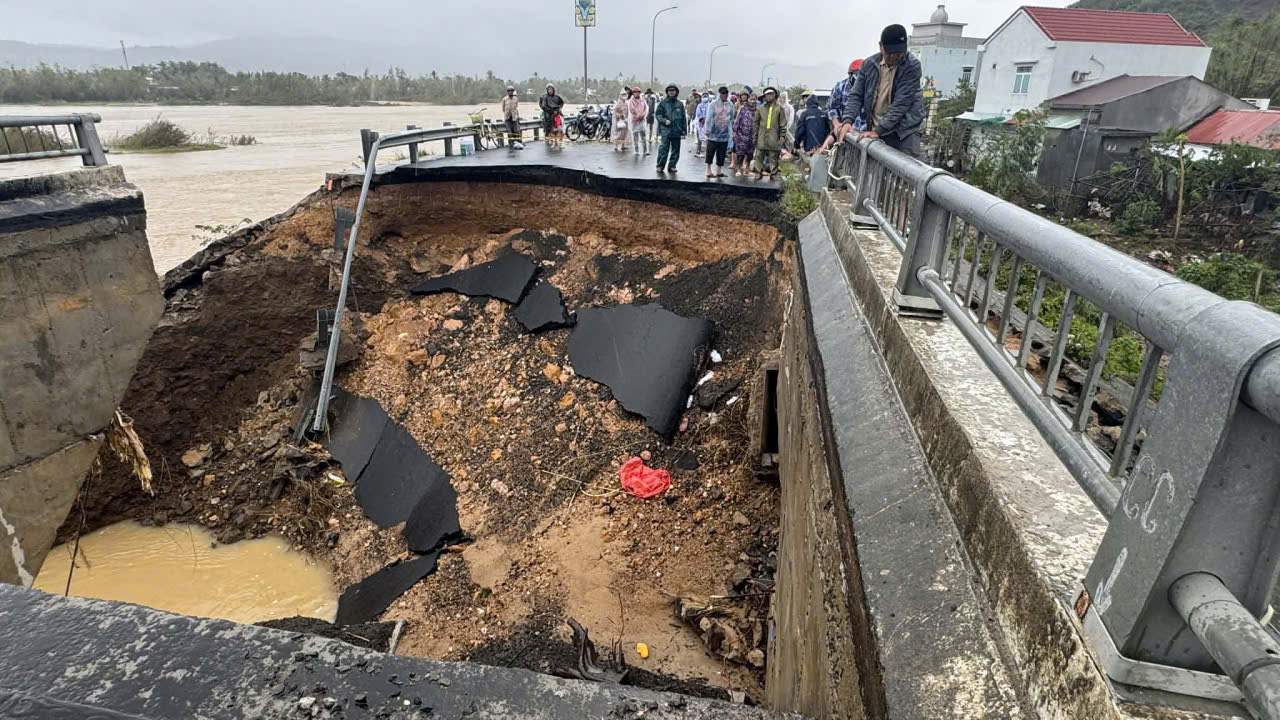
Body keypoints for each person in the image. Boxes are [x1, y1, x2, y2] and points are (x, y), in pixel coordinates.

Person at [835, 24, 926, 159]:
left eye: (898, 52)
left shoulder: (912, 66)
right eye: (890, 52)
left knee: (905, 172)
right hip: (877, 128)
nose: (894, 56)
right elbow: (856, 95)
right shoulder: (869, 64)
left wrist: (878, 131)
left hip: (904, 132)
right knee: (876, 173)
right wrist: (848, 120)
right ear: (880, 46)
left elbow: (901, 103)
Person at [752, 87, 786, 180]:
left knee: (774, 156)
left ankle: (773, 173)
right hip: (762, 136)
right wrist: (754, 136)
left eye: (771, 94)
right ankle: (758, 172)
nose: (769, 96)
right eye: (767, 95)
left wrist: (782, 135)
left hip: (774, 136)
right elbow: (755, 123)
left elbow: (783, 123)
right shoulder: (760, 109)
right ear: (764, 97)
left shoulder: (779, 109)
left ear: (774, 96)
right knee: (759, 155)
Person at [704, 86, 735, 178]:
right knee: (710, 151)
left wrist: (731, 131)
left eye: (726, 93)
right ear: (719, 93)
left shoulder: (730, 105)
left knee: (721, 153)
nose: (724, 95)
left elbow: (731, 118)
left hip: (724, 133)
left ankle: (719, 171)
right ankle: (708, 170)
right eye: (722, 93)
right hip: (713, 132)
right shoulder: (713, 104)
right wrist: (707, 129)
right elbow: (709, 117)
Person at [655, 84, 687, 174]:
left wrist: (684, 131)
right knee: (663, 149)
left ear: (676, 92)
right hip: (666, 130)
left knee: (676, 149)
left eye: (673, 90)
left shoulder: (680, 104)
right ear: (667, 92)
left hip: (677, 130)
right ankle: (660, 166)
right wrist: (664, 121)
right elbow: (658, 114)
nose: (671, 92)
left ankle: (672, 165)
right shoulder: (663, 103)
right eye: (669, 90)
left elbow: (684, 118)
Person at [794, 90, 831, 157]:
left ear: (807, 103)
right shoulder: (823, 114)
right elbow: (828, 131)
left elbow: (799, 132)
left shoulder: (804, 114)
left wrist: (796, 146)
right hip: (822, 148)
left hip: (809, 148)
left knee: (809, 165)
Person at [730, 91, 756, 177]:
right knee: (740, 154)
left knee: (749, 154)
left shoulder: (757, 110)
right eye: (751, 99)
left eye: (754, 99)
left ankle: (747, 170)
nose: (752, 101)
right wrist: (734, 132)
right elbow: (737, 120)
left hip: (751, 136)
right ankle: (738, 169)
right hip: (741, 135)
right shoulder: (743, 108)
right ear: (748, 100)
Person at [539, 84, 565, 149]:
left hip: (557, 115)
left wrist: (558, 109)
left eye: (551, 89)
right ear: (547, 90)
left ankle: (561, 143)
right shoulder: (544, 97)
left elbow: (561, 103)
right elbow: (543, 106)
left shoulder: (557, 97)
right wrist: (551, 111)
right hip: (549, 115)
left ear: (553, 89)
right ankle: (554, 142)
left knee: (560, 129)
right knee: (551, 130)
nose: (550, 91)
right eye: (549, 89)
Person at [627, 87, 650, 156]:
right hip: (634, 121)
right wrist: (637, 116)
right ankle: (636, 150)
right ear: (633, 93)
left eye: (637, 92)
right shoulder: (631, 101)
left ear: (639, 93)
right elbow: (632, 110)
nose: (636, 93)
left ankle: (645, 150)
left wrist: (642, 115)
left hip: (642, 120)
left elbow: (646, 109)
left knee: (643, 136)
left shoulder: (643, 100)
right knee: (635, 136)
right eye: (634, 92)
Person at [501, 85, 524, 151]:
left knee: (517, 131)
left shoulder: (516, 99)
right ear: (507, 92)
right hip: (507, 117)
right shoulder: (504, 99)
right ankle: (511, 143)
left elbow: (516, 107)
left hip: (514, 117)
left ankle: (518, 143)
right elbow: (503, 109)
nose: (510, 92)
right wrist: (506, 113)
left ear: (513, 92)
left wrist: (516, 115)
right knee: (509, 131)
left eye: (511, 91)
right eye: (509, 91)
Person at [693, 91, 712, 157]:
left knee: (708, 139)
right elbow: (698, 113)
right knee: (699, 137)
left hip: (708, 124)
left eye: (706, 96)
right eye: (703, 97)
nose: (705, 98)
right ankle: (698, 151)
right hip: (700, 124)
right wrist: (701, 119)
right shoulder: (700, 105)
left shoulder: (710, 105)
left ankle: (708, 152)